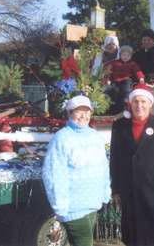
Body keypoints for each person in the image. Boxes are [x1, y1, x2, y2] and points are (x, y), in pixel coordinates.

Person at [110, 83, 154, 246]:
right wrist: (116, 190)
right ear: (130, 103)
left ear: (150, 103)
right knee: (132, 235)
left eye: (143, 102)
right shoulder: (119, 126)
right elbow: (115, 160)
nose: (139, 105)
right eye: (136, 101)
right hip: (129, 192)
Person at [42, 95, 111, 246]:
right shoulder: (62, 138)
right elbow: (53, 174)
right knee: (84, 242)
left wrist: (105, 192)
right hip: (72, 207)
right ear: (69, 113)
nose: (83, 115)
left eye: (87, 111)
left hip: (93, 203)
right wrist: (60, 205)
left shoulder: (94, 136)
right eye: (79, 111)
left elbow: (103, 167)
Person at [103, 45, 145, 115]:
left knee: (125, 91)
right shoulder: (115, 63)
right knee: (110, 91)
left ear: (131, 56)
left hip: (126, 81)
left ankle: (125, 106)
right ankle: (109, 109)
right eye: (124, 55)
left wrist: (141, 78)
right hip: (115, 81)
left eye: (128, 55)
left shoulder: (132, 64)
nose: (125, 57)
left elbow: (138, 71)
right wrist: (107, 79)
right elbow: (107, 69)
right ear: (120, 55)